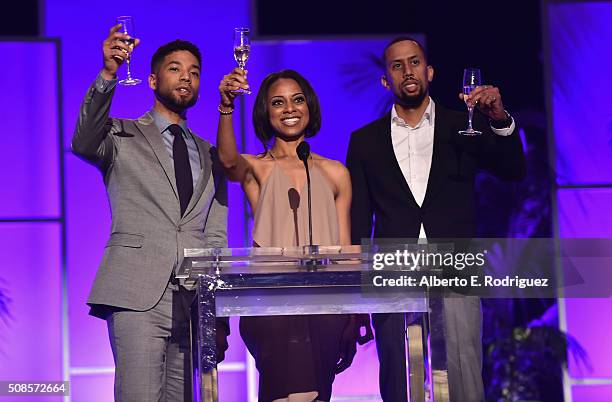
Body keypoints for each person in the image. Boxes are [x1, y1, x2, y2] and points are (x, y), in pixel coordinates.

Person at [346, 37, 526, 402]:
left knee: (463, 372)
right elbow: (359, 219)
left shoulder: (464, 127)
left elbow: (514, 169)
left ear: (429, 72)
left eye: (414, 62)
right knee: (398, 377)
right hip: (394, 269)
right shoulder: (364, 141)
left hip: (454, 265)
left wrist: (500, 119)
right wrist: (359, 294)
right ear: (386, 80)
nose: (407, 71)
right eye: (397, 65)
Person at [71, 25, 229, 401]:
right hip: (136, 292)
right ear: (153, 79)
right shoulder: (122, 135)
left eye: (193, 72)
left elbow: (216, 235)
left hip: (191, 300)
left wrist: (218, 310)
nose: (186, 77)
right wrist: (108, 73)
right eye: (175, 69)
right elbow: (83, 140)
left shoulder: (212, 154)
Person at [216, 68, 368, 402]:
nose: (289, 109)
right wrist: (226, 106)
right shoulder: (257, 167)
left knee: (318, 394)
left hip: (326, 307)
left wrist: (356, 310)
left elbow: (346, 249)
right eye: (278, 102)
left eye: (297, 100)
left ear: (309, 106)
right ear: (265, 113)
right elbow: (227, 162)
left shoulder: (335, 172)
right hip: (273, 306)